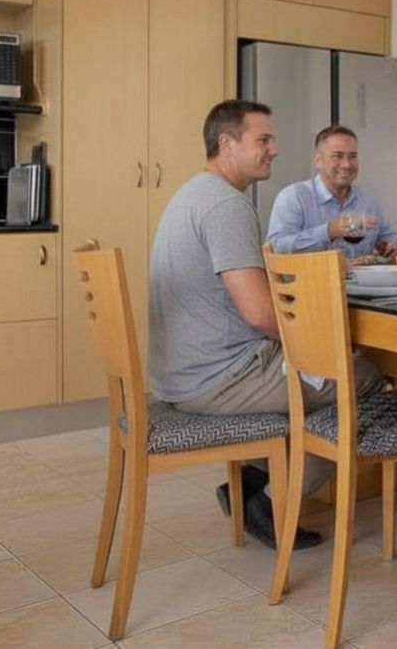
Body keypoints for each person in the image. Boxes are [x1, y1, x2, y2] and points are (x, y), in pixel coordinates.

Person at [149, 100, 334, 551]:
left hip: (183, 374)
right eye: (263, 139)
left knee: (323, 372)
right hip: (218, 378)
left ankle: (250, 483)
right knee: (359, 376)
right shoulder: (226, 206)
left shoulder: (193, 193)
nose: (274, 149)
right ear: (227, 144)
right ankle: (269, 500)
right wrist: (321, 345)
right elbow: (260, 314)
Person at [266, 125, 397, 262]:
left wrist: (392, 248)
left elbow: (389, 239)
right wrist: (328, 232)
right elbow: (277, 247)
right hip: (309, 276)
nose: (347, 164)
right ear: (318, 161)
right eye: (337, 156)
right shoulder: (294, 196)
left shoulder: (369, 202)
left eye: (352, 156)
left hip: (360, 276)